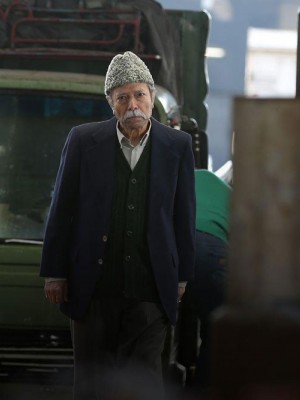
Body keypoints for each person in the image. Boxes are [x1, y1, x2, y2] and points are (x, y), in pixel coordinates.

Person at [40, 51, 196, 399]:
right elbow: (62, 208)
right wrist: (54, 272)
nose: (132, 104)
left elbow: (183, 214)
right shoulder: (83, 140)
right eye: (122, 97)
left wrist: (182, 276)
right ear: (110, 103)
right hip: (93, 287)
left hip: (151, 287)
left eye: (139, 94)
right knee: (92, 383)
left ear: (152, 96)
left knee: (143, 383)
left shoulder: (178, 145)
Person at [185, 169, 230, 392]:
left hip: (174, 242)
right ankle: (203, 389)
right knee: (216, 330)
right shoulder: (228, 193)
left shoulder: (184, 175)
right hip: (212, 252)